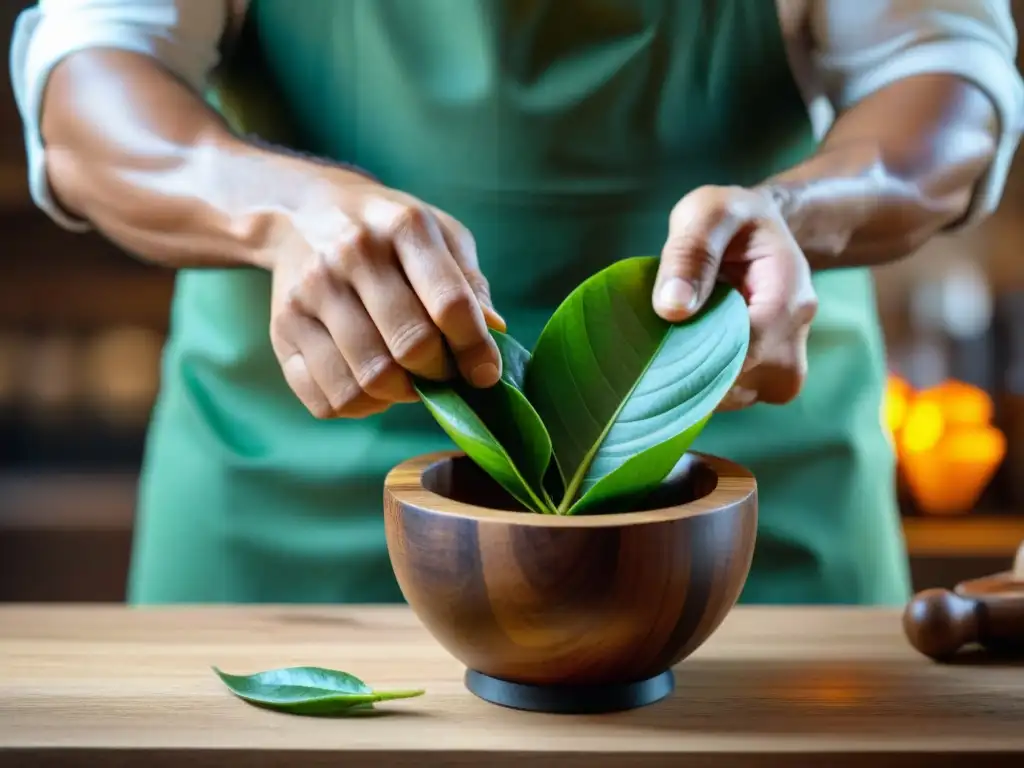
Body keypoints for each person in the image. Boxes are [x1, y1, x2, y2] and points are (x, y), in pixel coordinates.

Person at [9, 0, 1022, 606]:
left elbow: (943, 74)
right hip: (295, 523)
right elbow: (93, 75)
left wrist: (801, 212)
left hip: (732, 522)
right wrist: (278, 208)